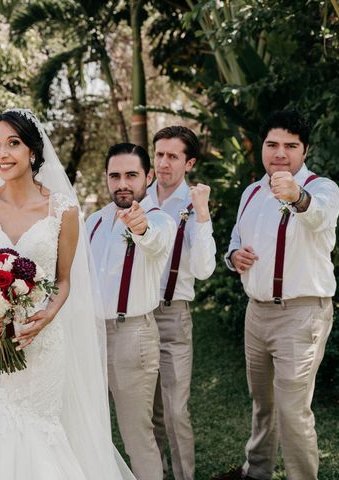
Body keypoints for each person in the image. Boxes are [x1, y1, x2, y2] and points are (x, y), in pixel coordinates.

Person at [0, 109, 137, 480]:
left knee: (39, 432)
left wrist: (48, 315)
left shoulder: (63, 210)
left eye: (13, 143)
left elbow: (65, 279)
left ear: (34, 153)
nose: (1, 153)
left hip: (40, 340)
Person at [215, 110, 339, 480]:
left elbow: (317, 217)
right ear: (262, 148)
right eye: (273, 144)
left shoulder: (321, 188)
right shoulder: (251, 192)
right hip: (256, 315)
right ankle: (256, 473)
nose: (280, 153)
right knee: (263, 404)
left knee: (292, 410)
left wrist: (297, 196)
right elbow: (236, 241)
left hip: (301, 316)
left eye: (291, 146)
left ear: (305, 150)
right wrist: (233, 256)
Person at [86, 143, 176, 480]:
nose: (122, 183)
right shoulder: (93, 222)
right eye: (115, 176)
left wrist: (139, 228)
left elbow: (155, 240)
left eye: (131, 175)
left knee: (137, 436)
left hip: (132, 336)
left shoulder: (160, 220)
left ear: (148, 177)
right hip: (91, 336)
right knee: (91, 430)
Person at [147, 126, 216, 480]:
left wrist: (202, 213)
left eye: (173, 156)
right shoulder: (138, 199)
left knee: (175, 410)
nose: (163, 162)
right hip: (137, 318)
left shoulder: (194, 204)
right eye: (159, 154)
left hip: (173, 316)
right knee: (147, 411)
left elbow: (204, 270)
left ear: (188, 163)